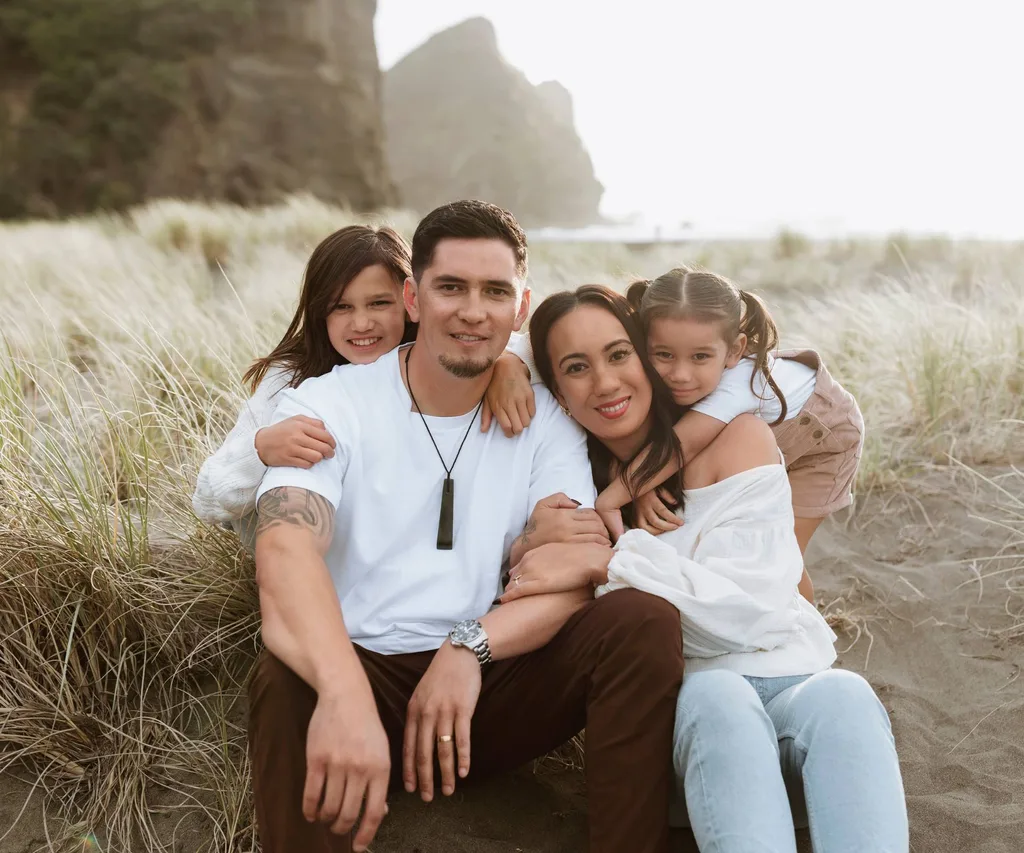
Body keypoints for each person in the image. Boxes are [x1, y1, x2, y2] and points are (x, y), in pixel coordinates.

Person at [247, 202, 684, 853]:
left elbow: (568, 570)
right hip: (363, 671)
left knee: (642, 620)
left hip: (491, 688)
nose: (473, 310)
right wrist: (342, 691)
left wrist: (469, 646)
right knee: (282, 682)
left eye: (495, 291)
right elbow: (284, 549)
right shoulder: (332, 403)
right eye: (451, 287)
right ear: (413, 296)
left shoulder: (544, 423)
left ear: (521, 305)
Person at [502, 284, 908, 853]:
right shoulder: (571, 488)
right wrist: (505, 365)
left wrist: (610, 562)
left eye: (621, 355)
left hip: (793, 700)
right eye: (576, 368)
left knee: (845, 693)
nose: (607, 382)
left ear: (646, 355)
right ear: (558, 392)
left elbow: (753, 610)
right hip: (693, 727)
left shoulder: (739, 436)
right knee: (718, 694)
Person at [191, 223, 539, 551]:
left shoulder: (444, 355)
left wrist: (510, 362)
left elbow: (541, 348)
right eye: (341, 307)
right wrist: (261, 448)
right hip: (314, 562)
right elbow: (207, 498)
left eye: (378, 303)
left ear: (411, 302)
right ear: (319, 313)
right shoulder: (291, 379)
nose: (361, 323)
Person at [594, 267, 864, 602]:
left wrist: (612, 498)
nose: (680, 374)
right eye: (663, 354)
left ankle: (803, 636)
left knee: (782, 552)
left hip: (824, 441)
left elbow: (682, 445)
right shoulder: (682, 367)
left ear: (735, 350)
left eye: (700, 357)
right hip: (764, 435)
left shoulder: (735, 387)